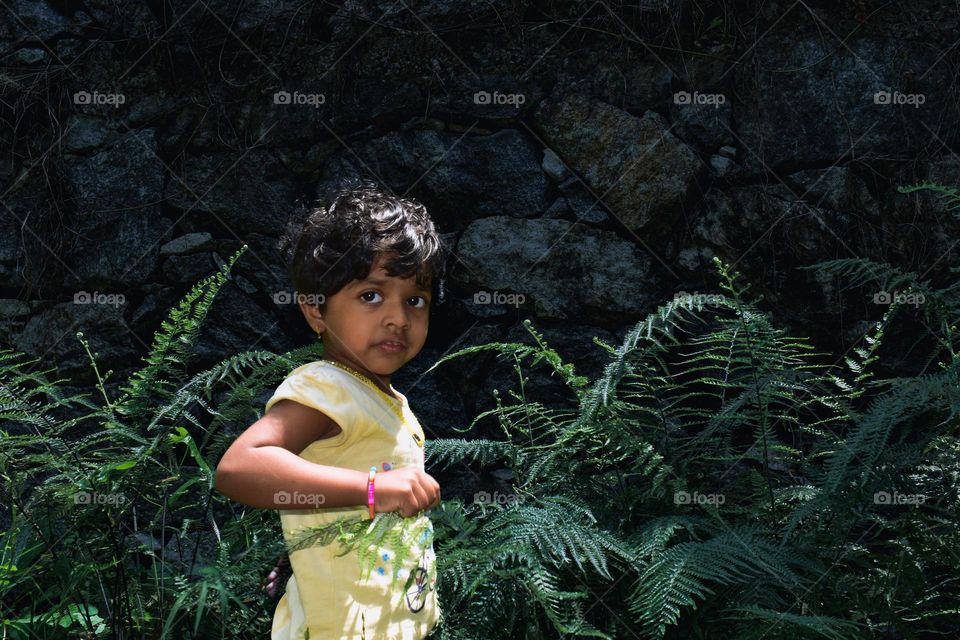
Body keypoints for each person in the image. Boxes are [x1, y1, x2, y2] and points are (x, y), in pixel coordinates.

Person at [214, 181, 447, 640]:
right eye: (371, 296)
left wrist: (302, 555)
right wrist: (374, 489)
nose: (398, 317)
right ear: (315, 311)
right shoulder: (325, 387)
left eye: (414, 300)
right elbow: (239, 468)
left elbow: (324, 497)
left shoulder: (384, 399)